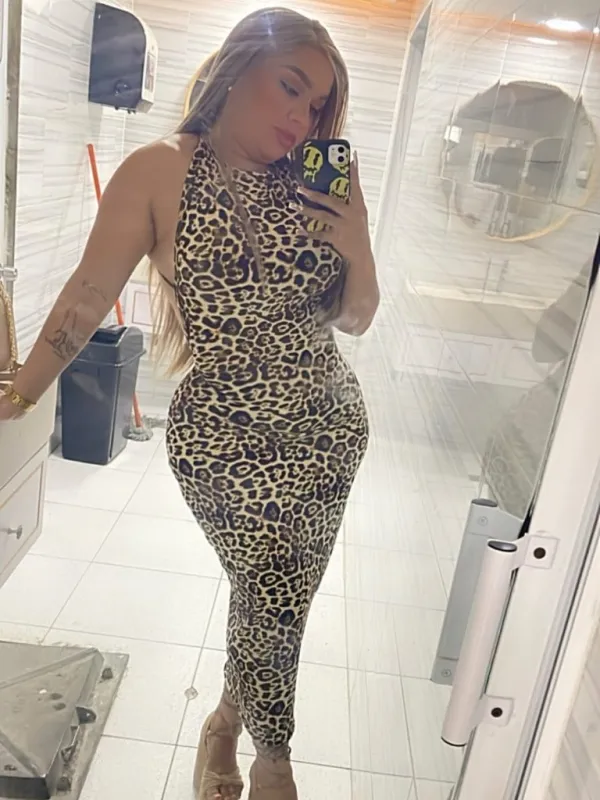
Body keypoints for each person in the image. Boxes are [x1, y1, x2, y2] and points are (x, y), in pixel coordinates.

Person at [0, 7, 378, 799]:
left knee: (276, 598)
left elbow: (355, 318)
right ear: (236, 69)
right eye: (290, 87)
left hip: (329, 429)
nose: (301, 117)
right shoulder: (158, 171)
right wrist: (24, 390)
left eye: (317, 105)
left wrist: (358, 244)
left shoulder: (318, 182)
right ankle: (274, 763)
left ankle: (224, 725)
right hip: (223, 439)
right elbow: (88, 294)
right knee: (272, 597)